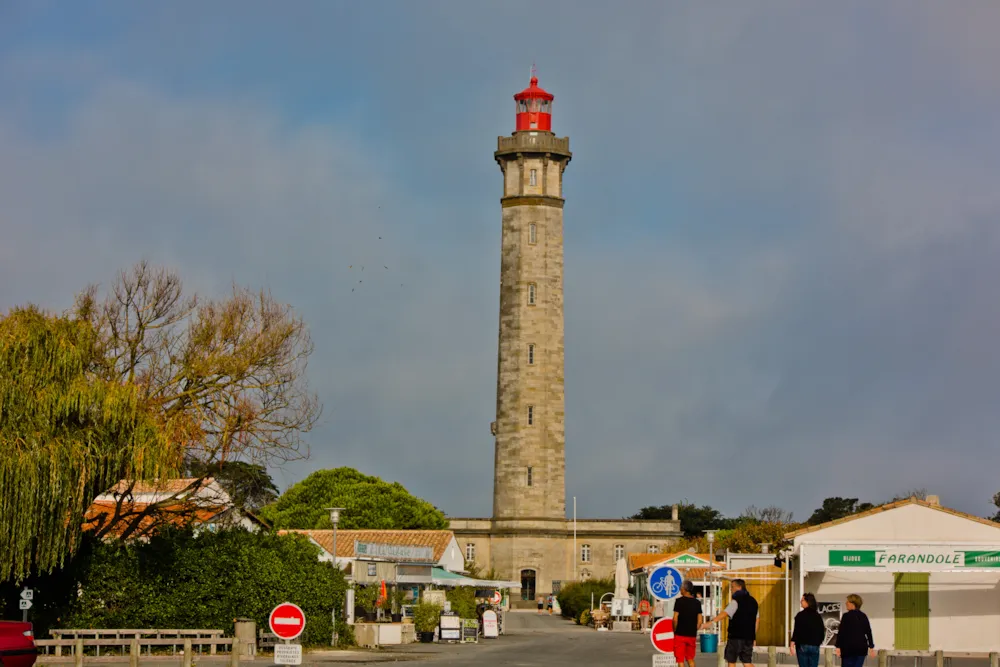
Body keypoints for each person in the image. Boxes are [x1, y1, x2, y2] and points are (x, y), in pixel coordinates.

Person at [701, 578, 759, 667]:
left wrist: (711, 622)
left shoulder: (736, 601)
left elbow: (725, 613)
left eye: (732, 587)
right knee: (747, 662)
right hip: (748, 637)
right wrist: (753, 636)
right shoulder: (753, 601)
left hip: (736, 636)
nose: (731, 589)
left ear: (739, 587)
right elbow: (756, 620)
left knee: (731, 661)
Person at [835, 594, 875, 667]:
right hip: (861, 648)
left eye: (848, 601)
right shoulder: (863, 616)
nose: (846, 603)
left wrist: (838, 646)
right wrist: (871, 646)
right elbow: (868, 631)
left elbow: (841, 632)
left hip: (848, 649)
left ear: (853, 604)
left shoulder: (846, 616)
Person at [672, 580, 703, 667]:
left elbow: (675, 619)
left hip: (680, 634)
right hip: (692, 635)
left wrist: (675, 629)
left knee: (680, 659)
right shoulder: (697, 603)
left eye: (681, 588)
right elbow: (700, 620)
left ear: (684, 589)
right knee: (690, 658)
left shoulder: (679, 601)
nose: (680, 590)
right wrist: (693, 628)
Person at [791, 593, 825, 667]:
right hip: (815, 645)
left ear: (808, 602)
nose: (801, 601)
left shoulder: (800, 615)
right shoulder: (818, 616)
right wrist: (819, 642)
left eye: (802, 600)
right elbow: (822, 631)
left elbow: (797, 631)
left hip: (803, 645)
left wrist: (792, 644)